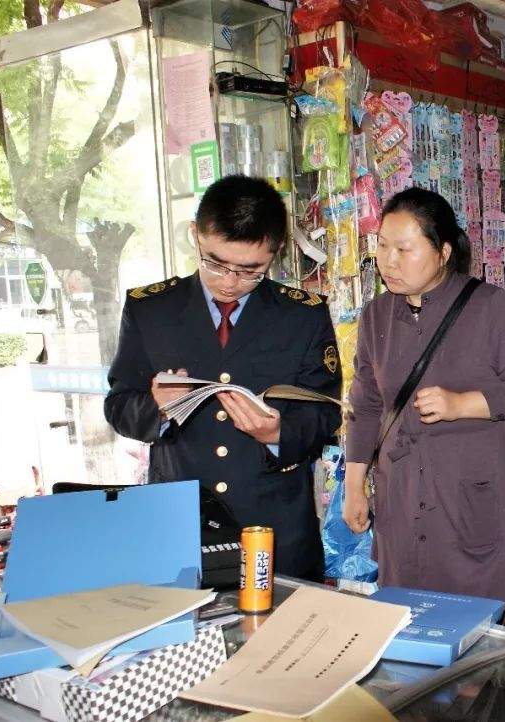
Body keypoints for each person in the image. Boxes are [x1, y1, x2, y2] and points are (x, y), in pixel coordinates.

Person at [104, 175, 341, 581]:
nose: (229, 282)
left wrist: (278, 432)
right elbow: (119, 405)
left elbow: (325, 416)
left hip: (275, 532)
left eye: (251, 270)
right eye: (215, 263)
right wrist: (158, 407)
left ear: (276, 252)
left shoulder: (303, 316)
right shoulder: (151, 310)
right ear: (196, 235)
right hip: (182, 526)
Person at [342, 187, 505, 604]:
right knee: (407, 619)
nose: (389, 261)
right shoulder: (376, 316)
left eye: (404, 248)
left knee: (474, 626)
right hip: (400, 498)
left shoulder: (487, 306)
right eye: (382, 247)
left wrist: (463, 404)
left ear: (443, 252)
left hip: (467, 499)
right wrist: (353, 486)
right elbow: (366, 406)